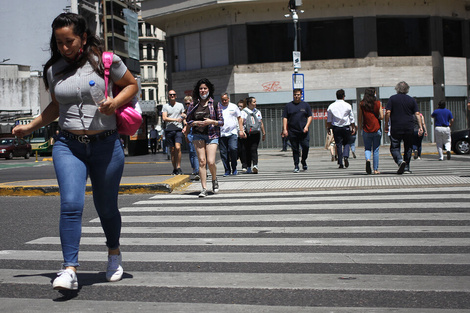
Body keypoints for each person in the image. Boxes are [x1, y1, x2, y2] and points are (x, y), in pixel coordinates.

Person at [12, 13, 138, 290]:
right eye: (59, 42)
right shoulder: (53, 69)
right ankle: (69, 268)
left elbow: (132, 85)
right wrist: (30, 126)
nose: (64, 47)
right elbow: (56, 107)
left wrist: (114, 102)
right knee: (70, 206)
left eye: (69, 41)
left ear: (82, 37)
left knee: (106, 208)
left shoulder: (107, 62)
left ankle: (114, 253)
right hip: (68, 146)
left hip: (106, 144)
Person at [186, 78, 224, 197]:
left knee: (211, 162)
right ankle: (204, 188)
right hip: (197, 134)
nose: (203, 91)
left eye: (205, 88)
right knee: (202, 162)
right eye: (201, 89)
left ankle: (214, 179)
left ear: (209, 90)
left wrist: (210, 122)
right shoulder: (193, 104)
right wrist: (195, 123)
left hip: (212, 135)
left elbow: (221, 122)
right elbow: (188, 120)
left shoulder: (216, 103)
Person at [384, 81, 423, 174]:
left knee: (394, 147)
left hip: (396, 127)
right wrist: (420, 127)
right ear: (407, 89)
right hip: (409, 127)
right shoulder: (411, 100)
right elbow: (417, 114)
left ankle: (400, 161)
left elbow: (388, 112)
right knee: (408, 147)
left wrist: (386, 125)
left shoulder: (392, 99)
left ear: (397, 89)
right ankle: (406, 167)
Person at [282, 89, 313, 173]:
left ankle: (303, 160)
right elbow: (285, 118)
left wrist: (306, 126)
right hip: (292, 131)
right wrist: (285, 129)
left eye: (298, 95)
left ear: (301, 95)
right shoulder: (288, 106)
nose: (296, 96)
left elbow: (310, 116)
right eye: (295, 94)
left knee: (306, 147)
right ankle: (296, 165)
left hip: (303, 131)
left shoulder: (305, 105)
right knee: (295, 149)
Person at [326, 89, 356, 169]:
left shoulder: (331, 106)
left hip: (336, 127)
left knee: (338, 144)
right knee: (347, 143)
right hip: (346, 126)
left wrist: (328, 128)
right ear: (343, 96)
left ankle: (340, 162)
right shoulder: (348, 105)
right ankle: (345, 156)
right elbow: (352, 118)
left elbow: (329, 119)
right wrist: (353, 127)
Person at [358, 87, 383, 175]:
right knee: (376, 149)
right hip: (376, 128)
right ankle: (375, 169)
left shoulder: (362, 104)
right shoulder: (378, 103)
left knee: (367, 148)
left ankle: (368, 159)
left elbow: (360, 117)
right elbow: (382, 116)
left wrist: (360, 126)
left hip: (366, 129)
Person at [219, 93, 245, 176]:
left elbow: (239, 118)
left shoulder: (234, 106)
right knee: (224, 153)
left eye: (226, 99)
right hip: (222, 133)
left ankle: (234, 167)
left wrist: (241, 130)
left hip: (232, 132)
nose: (224, 101)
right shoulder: (218, 107)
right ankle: (227, 170)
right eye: (223, 100)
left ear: (228, 99)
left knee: (233, 149)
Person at [162, 90, 185, 175]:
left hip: (178, 129)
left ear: (176, 96)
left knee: (178, 147)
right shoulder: (165, 106)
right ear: (168, 96)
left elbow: (183, 115)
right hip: (169, 130)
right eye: (170, 95)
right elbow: (164, 118)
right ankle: (174, 168)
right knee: (172, 150)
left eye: (173, 95)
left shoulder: (180, 105)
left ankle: (179, 167)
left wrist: (184, 121)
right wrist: (176, 119)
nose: (172, 96)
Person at [241, 96, 266, 174]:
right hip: (247, 133)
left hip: (256, 133)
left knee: (254, 149)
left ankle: (255, 165)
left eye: (255, 102)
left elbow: (260, 122)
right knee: (247, 149)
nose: (255, 103)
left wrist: (263, 132)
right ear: (249, 103)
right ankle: (248, 167)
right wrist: (241, 131)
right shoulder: (243, 112)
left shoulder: (258, 112)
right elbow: (241, 122)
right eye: (254, 102)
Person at [182, 96, 200, 180]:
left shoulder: (194, 110)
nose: (187, 105)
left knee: (197, 151)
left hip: (195, 130)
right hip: (189, 131)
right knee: (192, 151)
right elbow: (185, 122)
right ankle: (194, 168)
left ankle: (198, 170)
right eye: (186, 103)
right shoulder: (184, 112)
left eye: (188, 103)